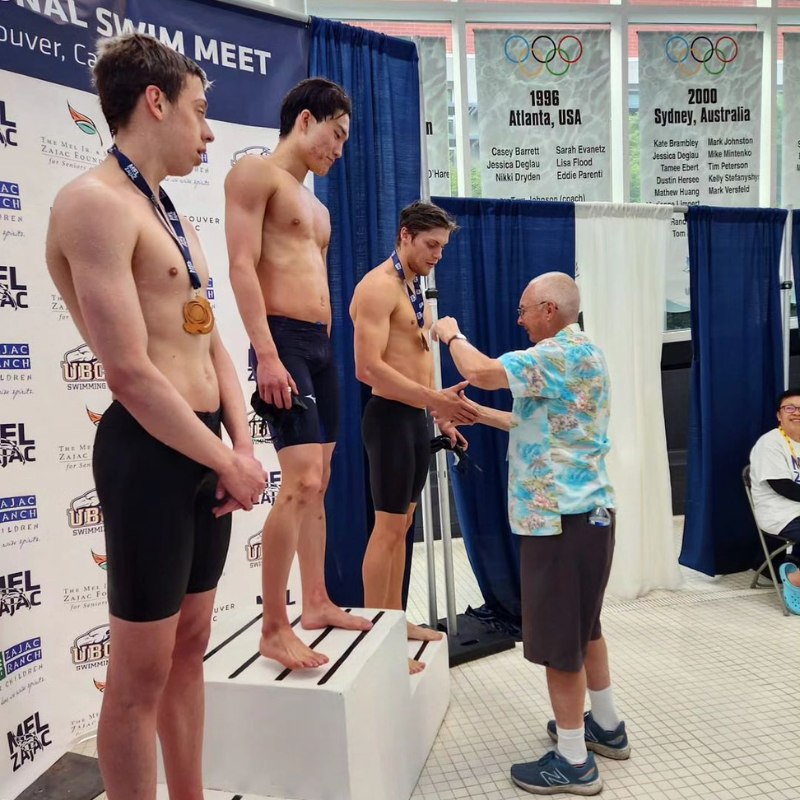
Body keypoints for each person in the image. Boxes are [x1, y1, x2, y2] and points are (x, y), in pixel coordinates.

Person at [45, 34, 266, 800]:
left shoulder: (167, 212)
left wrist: (239, 446)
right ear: (156, 102)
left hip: (207, 452)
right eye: (200, 112)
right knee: (138, 675)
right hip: (148, 453)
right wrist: (224, 458)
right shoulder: (92, 205)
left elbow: (212, 343)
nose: (208, 133)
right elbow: (130, 372)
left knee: (191, 645)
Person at [432, 272, 629, 796]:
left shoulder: (554, 354)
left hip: (558, 520)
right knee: (585, 627)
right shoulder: (585, 352)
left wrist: (450, 333)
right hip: (590, 515)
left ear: (548, 309)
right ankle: (606, 726)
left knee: (560, 642)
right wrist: (477, 415)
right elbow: (539, 424)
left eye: (523, 310)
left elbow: (480, 370)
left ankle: (574, 761)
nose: (518, 320)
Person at [225, 77, 371, 671]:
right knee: (301, 479)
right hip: (281, 341)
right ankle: (274, 626)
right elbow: (241, 266)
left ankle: (316, 602)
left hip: (320, 348)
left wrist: (325, 347)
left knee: (321, 479)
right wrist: (265, 353)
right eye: (336, 134)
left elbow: (318, 279)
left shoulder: (320, 209)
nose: (339, 149)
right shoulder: (254, 174)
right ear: (306, 119)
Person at [350, 201, 476, 674]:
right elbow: (368, 368)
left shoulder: (411, 286)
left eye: (442, 247)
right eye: (431, 245)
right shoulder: (377, 287)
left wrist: (438, 414)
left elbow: (415, 359)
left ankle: (396, 623)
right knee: (386, 530)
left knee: (402, 527)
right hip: (388, 419)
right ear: (405, 235)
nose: (437, 255)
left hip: (415, 419)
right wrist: (433, 399)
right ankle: (377, 640)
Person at [749, 388, 800, 611]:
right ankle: (795, 580)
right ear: (779, 415)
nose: (796, 412)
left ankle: (794, 565)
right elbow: (783, 487)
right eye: (790, 408)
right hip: (780, 512)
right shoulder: (769, 443)